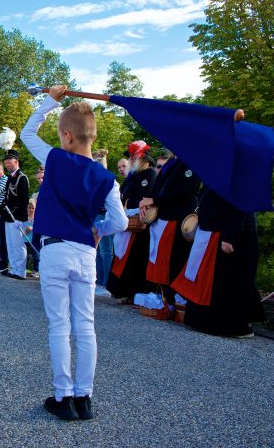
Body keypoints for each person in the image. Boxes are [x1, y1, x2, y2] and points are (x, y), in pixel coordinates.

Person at [20, 84, 128, 421]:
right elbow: (121, 222)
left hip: (55, 250)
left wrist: (51, 100)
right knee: (86, 326)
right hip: (85, 252)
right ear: (92, 137)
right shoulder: (107, 178)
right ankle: (85, 397)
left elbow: (26, 132)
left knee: (58, 326)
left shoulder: (54, 158)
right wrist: (100, 230)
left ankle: (62, 396)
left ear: (67, 136)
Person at [172, 187, 264, 337]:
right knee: (213, 282)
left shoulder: (240, 181)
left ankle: (233, 326)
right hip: (212, 232)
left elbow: (241, 209)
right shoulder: (217, 177)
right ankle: (205, 322)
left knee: (230, 283)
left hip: (235, 237)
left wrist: (230, 236)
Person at [138, 152, 200, 305]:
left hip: (178, 217)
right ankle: (163, 294)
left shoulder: (191, 161)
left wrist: (155, 199)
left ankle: (173, 298)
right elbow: (158, 187)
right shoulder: (171, 162)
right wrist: (147, 201)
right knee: (159, 257)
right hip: (163, 216)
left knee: (173, 258)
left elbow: (185, 191)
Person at [106, 141, 157, 301]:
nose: (132, 160)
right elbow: (122, 193)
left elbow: (149, 195)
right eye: (132, 157)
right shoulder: (132, 175)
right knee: (122, 253)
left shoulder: (150, 174)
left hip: (140, 221)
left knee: (136, 257)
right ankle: (120, 290)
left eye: (135, 157)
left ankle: (134, 292)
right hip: (127, 217)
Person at [0, 149, 30, 280]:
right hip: (8, 216)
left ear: (16, 161)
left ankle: (21, 271)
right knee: (10, 244)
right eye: (5, 162)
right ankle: (14, 268)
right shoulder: (11, 177)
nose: (7, 164)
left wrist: (17, 215)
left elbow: (23, 200)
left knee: (18, 245)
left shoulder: (22, 177)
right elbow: (6, 198)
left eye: (9, 162)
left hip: (17, 217)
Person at [92, 150, 113, 296]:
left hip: (104, 214)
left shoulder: (107, 179)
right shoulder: (95, 178)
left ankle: (106, 284)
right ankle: (100, 282)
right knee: (99, 251)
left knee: (106, 251)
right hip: (95, 215)